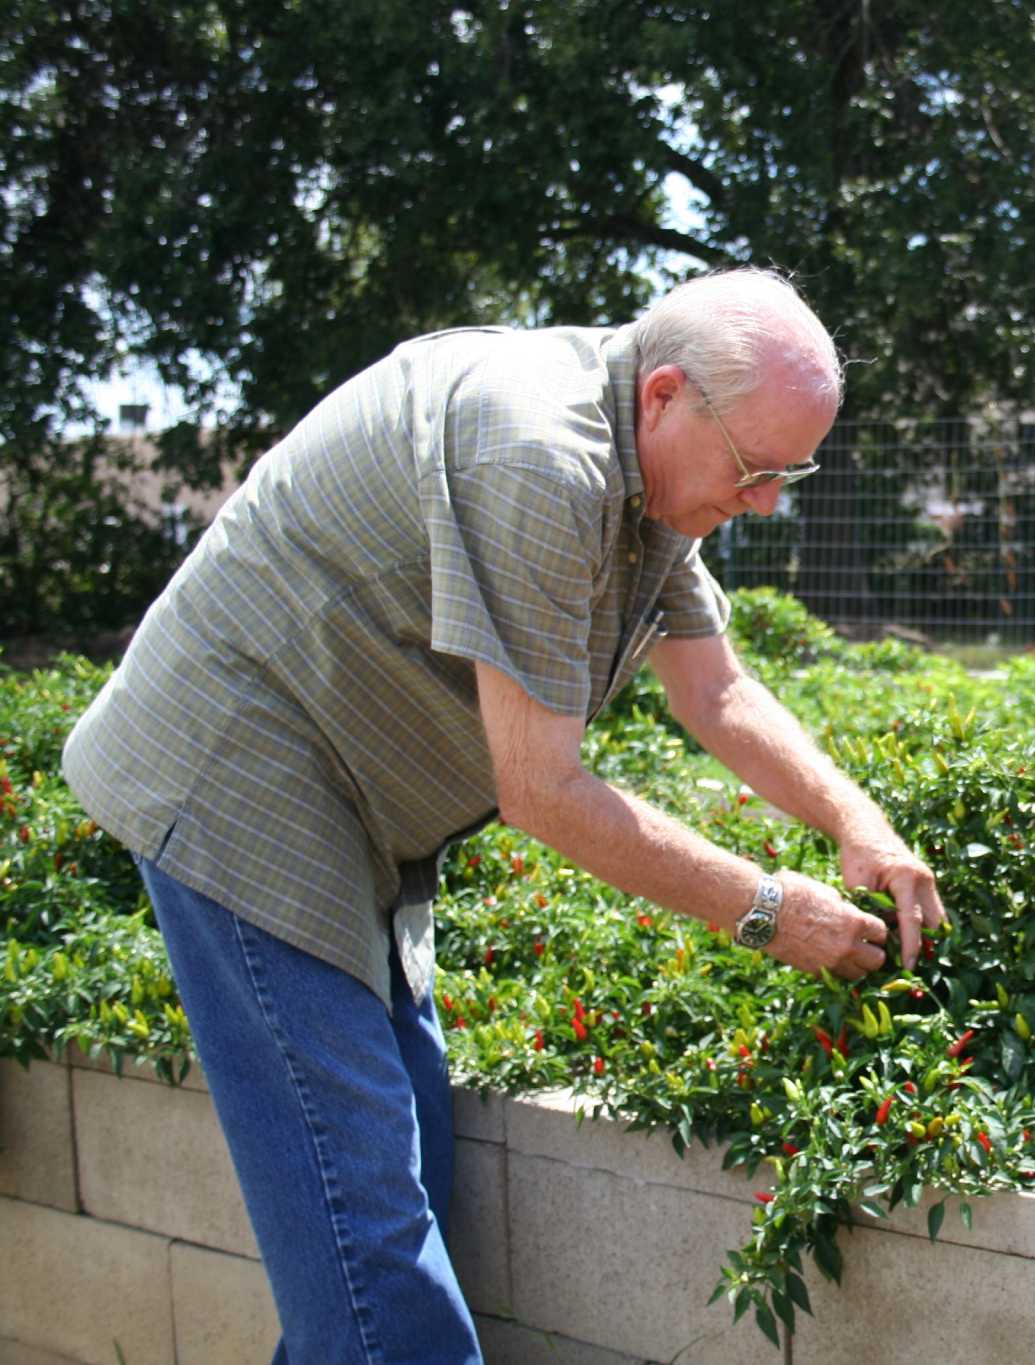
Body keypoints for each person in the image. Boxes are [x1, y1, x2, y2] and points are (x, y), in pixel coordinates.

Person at [62, 267, 945, 1362]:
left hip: (355, 818)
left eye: (788, 473)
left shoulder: (655, 472)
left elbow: (712, 690)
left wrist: (861, 824)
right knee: (370, 1256)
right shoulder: (536, 455)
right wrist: (769, 910)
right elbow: (543, 793)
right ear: (664, 394)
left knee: (389, 1204)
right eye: (754, 470)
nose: (765, 501)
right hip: (238, 790)